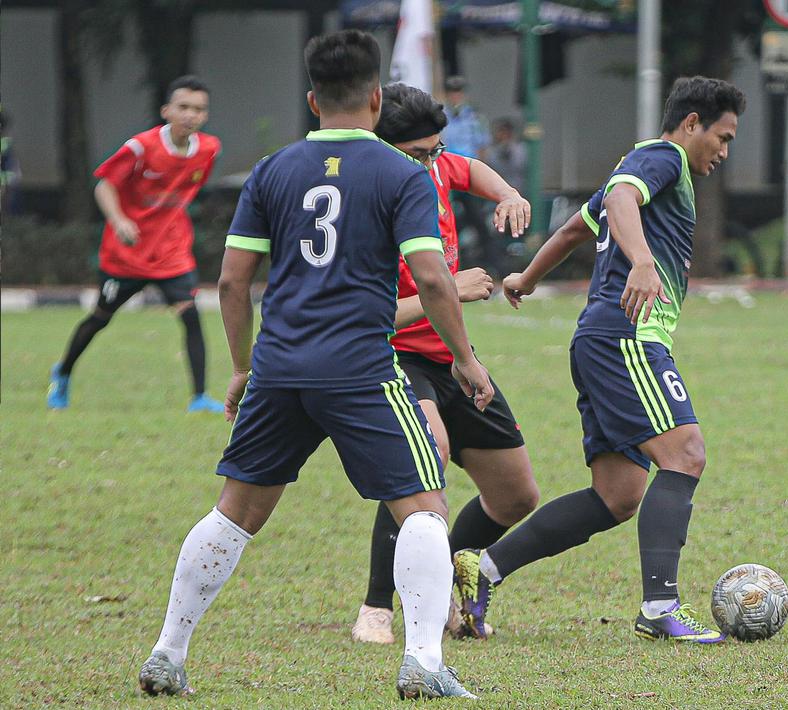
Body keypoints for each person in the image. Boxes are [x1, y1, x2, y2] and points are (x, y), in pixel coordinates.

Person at [136, 30, 493, 700]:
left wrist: (243, 367)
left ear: (311, 99)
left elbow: (233, 284)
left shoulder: (273, 170)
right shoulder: (401, 174)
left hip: (279, 367)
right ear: (376, 98)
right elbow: (434, 280)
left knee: (234, 511)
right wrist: (467, 360)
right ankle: (422, 662)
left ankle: (167, 653)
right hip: (360, 369)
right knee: (423, 507)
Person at [452, 76, 746, 644]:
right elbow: (617, 202)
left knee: (618, 495)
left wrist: (527, 277)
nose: (724, 152)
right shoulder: (661, 158)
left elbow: (572, 228)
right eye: (723, 136)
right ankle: (660, 607)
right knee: (685, 453)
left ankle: (483, 569)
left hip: (602, 340)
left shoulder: (642, 164)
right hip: (626, 339)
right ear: (691, 123)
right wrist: (641, 261)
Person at [351, 83, 539, 645]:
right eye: (419, 153)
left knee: (516, 496)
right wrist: (450, 290)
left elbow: (467, 167)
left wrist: (506, 192)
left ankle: (441, 570)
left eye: (436, 150)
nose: (433, 163)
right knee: (423, 462)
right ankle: (376, 607)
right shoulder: (368, 203)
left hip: (452, 355)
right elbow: (369, 314)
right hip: (396, 356)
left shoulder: (433, 166)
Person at [48, 76, 225, 412]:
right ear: (166, 110)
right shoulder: (141, 147)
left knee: (190, 316)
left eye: (199, 109)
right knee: (101, 316)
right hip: (126, 254)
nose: (191, 115)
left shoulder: (209, 148)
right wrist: (119, 220)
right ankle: (64, 372)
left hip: (172, 252)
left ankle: (199, 397)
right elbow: (103, 185)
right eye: (184, 107)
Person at [441, 76, 501, 275]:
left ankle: (492, 266)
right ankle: (455, 266)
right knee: (449, 222)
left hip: (467, 175)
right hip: (447, 174)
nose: (455, 96)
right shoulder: (442, 116)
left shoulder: (474, 118)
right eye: (452, 92)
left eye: (458, 91)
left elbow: (483, 147)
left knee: (478, 222)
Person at [486, 117, 527, 196]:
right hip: (496, 192)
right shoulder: (491, 151)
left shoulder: (520, 149)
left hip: (519, 190)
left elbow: (519, 166)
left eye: (507, 132)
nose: (504, 135)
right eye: (501, 132)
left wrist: (508, 148)